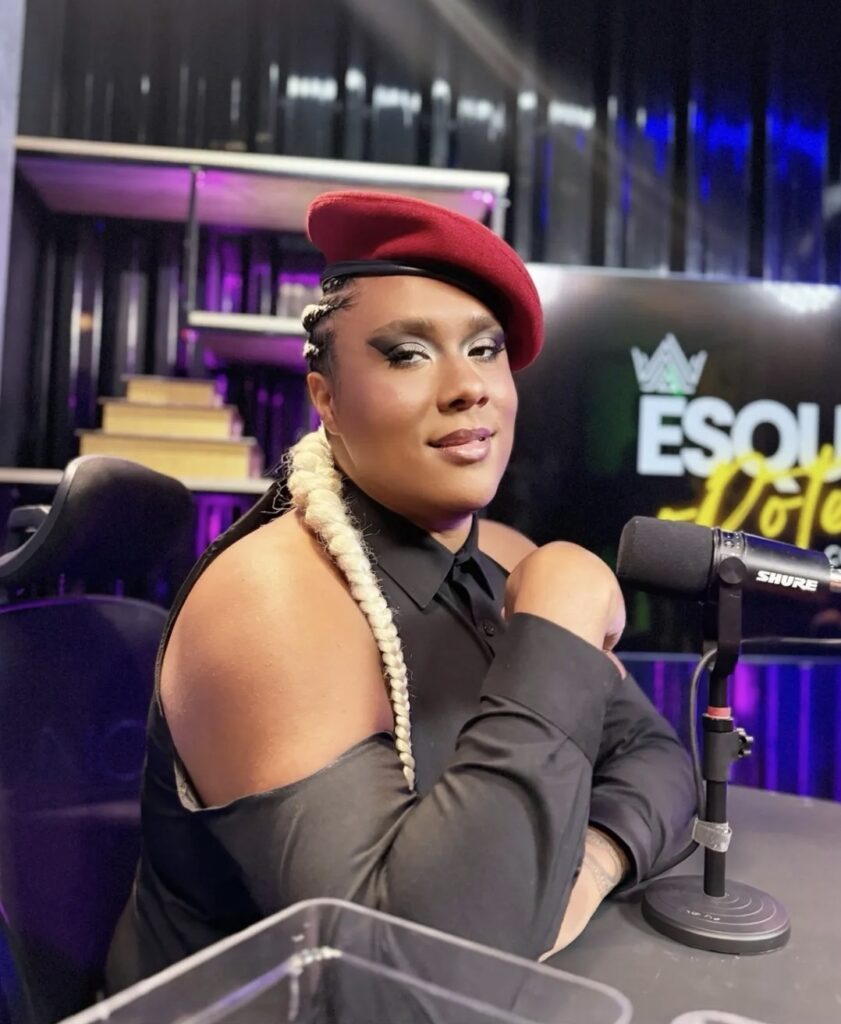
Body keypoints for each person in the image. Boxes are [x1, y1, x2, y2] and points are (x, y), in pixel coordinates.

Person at [106, 191, 695, 991]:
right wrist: (556, 625)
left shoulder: (503, 558)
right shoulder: (272, 596)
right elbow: (404, 986)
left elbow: (654, 758)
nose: (467, 386)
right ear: (326, 399)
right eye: (409, 354)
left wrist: (586, 868)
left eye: (484, 349)